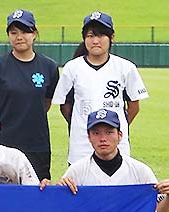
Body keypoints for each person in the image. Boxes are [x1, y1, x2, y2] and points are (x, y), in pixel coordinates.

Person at [57, 109, 169, 212]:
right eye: (96, 133)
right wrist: (60, 192)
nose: (103, 138)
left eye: (109, 132)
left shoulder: (139, 170)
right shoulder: (77, 170)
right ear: (89, 137)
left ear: (120, 135)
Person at [52, 11, 149, 165]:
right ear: (84, 38)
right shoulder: (72, 68)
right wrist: (81, 124)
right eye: (90, 36)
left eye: (101, 35)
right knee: (80, 187)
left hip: (117, 146)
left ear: (112, 37)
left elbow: (134, 106)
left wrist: (113, 129)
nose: (95, 41)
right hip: (81, 145)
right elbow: (65, 107)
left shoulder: (125, 67)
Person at [0, 9, 60, 180]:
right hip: (4, 143)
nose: (19, 36)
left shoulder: (49, 67)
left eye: (24, 31)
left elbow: (47, 102)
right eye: (13, 32)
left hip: (37, 144)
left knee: (37, 193)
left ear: (34, 34)